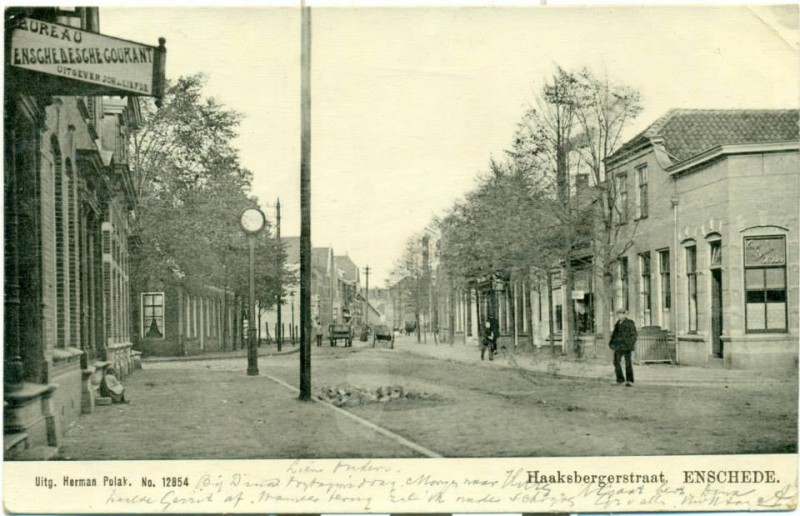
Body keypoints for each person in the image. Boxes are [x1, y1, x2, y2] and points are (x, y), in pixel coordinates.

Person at [609, 308, 637, 386]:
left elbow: (634, 335)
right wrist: (612, 343)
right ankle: (620, 379)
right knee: (616, 362)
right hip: (618, 346)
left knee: (628, 363)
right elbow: (614, 335)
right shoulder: (617, 324)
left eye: (621, 314)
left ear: (625, 315)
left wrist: (630, 343)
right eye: (618, 314)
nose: (620, 316)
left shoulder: (630, 323)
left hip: (626, 346)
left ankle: (630, 380)